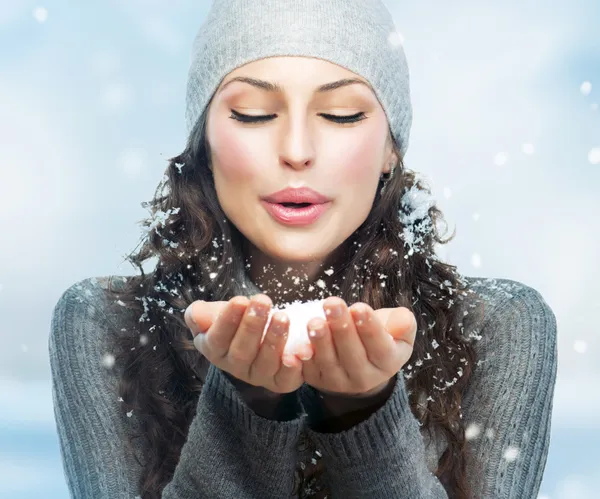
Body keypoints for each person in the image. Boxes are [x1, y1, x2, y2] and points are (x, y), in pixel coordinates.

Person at [48, 0, 558, 498]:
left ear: (391, 149)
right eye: (252, 114)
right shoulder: (106, 324)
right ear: (204, 140)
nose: (296, 151)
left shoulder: (498, 327)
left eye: (340, 115)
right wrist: (247, 406)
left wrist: (363, 411)